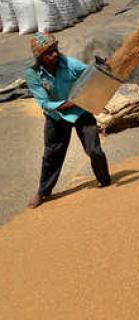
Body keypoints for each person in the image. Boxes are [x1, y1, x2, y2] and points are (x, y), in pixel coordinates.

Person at [24, 33, 112, 209]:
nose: (55, 54)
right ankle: (43, 192)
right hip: (56, 117)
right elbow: (45, 103)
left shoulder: (68, 63)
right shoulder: (33, 74)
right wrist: (69, 103)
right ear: (40, 57)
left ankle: (105, 180)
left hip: (81, 112)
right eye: (49, 53)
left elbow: (89, 73)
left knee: (94, 149)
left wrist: (103, 68)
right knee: (52, 155)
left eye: (55, 50)